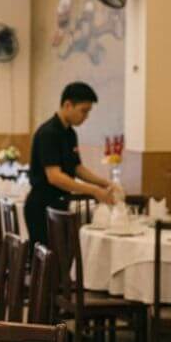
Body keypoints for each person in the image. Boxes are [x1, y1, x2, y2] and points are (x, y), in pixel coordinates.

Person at [25, 81, 115, 247]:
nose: (86, 117)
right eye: (83, 111)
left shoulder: (69, 133)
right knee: (46, 264)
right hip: (41, 205)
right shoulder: (48, 133)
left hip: (60, 204)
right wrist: (94, 191)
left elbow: (77, 168)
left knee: (62, 261)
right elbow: (55, 177)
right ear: (67, 105)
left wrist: (105, 183)